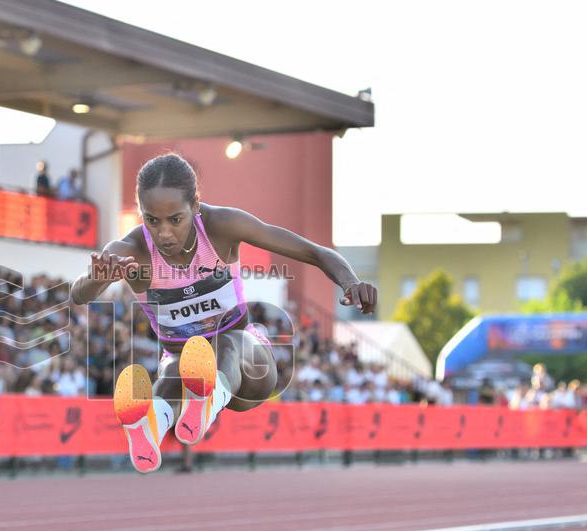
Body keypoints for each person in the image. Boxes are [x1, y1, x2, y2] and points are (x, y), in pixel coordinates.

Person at [69, 152, 377, 473]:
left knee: (227, 343)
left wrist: (350, 282)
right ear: (140, 214)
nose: (164, 233)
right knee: (171, 376)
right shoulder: (130, 251)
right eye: (152, 220)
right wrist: (97, 279)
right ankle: (152, 427)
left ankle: (208, 397)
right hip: (180, 366)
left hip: (247, 367)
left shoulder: (222, 227)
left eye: (175, 219)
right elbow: (79, 293)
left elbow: (314, 251)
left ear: (196, 206)